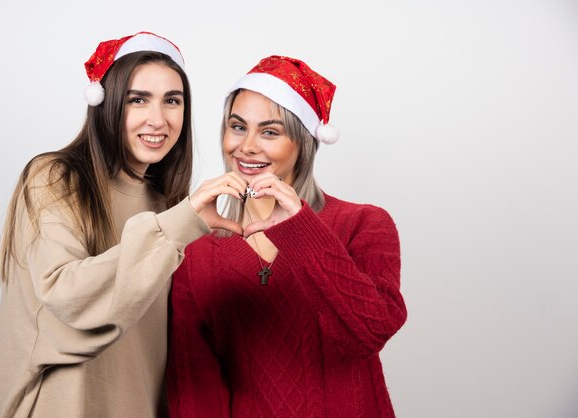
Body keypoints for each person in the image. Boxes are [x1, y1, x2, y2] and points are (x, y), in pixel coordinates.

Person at [0, 31, 242, 418]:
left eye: (172, 101)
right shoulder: (54, 178)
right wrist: (179, 224)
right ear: (105, 104)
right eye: (137, 100)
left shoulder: (166, 203)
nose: (158, 119)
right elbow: (68, 299)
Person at [165, 55, 408, 417]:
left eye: (270, 132)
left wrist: (300, 230)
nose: (247, 146)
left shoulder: (364, 224)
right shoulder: (197, 247)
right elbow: (195, 385)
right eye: (237, 126)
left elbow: (369, 333)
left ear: (303, 143)